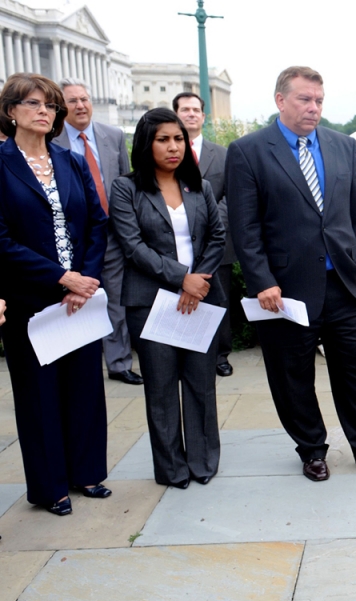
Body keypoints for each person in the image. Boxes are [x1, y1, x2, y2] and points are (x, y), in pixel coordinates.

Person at [227, 66, 356, 481]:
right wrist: (261, 281)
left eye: (319, 100)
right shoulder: (249, 151)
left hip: (345, 285)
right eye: (304, 99)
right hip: (286, 291)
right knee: (292, 376)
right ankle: (311, 448)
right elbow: (245, 227)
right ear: (280, 100)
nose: (314, 108)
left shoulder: (343, 145)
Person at [0, 73, 111, 516]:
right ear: (11, 111)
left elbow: (98, 223)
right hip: (30, 298)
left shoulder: (71, 161)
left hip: (79, 298)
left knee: (84, 385)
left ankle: (86, 472)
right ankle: (50, 487)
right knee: (39, 394)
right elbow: (2, 239)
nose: (45, 111)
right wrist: (61, 278)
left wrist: (84, 279)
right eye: (34, 103)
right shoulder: (1, 163)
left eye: (51, 105)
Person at [110, 108, 226, 489]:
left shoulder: (200, 188)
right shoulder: (126, 188)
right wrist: (182, 279)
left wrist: (198, 282)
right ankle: (172, 469)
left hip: (199, 299)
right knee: (160, 389)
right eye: (163, 139)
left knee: (200, 384)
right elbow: (133, 246)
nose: (173, 147)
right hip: (151, 303)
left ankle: (203, 461)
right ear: (147, 143)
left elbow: (216, 238)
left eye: (178, 139)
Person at [52, 78, 142, 385]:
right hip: (72, 239)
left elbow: (125, 184)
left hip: (113, 235)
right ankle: (78, 364)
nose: (80, 105)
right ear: (61, 108)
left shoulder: (113, 135)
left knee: (115, 300)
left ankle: (118, 363)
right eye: (72, 101)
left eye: (84, 99)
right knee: (75, 300)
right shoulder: (53, 142)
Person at [173, 91, 234, 378]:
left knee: (218, 299)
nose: (191, 114)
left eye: (196, 109)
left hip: (216, 242)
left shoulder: (222, 154)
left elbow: (230, 197)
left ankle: (220, 355)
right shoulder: (167, 152)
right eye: (185, 109)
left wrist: (212, 224)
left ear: (204, 116)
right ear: (176, 114)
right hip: (176, 243)